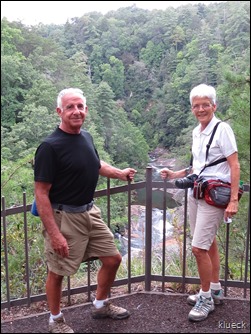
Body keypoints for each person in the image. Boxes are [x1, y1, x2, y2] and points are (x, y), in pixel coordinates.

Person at [33, 88, 137, 333]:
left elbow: (96, 163)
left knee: (113, 259)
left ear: (86, 110)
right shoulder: (49, 147)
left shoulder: (86, 137)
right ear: (59, 111)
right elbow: (41, 193)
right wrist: (55, 234)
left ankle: (100, 305)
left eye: (80, 106)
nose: (76, 111)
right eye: (70, 107)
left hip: (89, 212)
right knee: (58, 272)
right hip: (64, 217)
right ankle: (55, 321)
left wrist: (119, 173)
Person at [160, 83, 240, 322]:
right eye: (196, 105)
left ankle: (205, 297)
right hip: (197, 192)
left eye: (205, 104)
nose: (201, 109)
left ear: (214, 106)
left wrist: (233, 199)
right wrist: (175, 175)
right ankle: (214, 288)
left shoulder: (222, 129)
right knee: (208, 243)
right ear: (192, 108)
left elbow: (233, 165)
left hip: (214, 196)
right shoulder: (197, 131)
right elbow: (200, 165)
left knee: (198, 248)